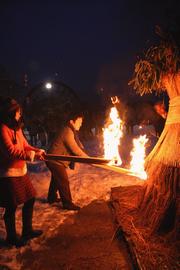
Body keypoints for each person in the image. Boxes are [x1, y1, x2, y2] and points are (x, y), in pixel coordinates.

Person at [0, 97, 45, 247]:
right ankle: (11, 237)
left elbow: (25, 146)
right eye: (18, 113)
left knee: (30, 198)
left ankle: (27, 230)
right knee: (11, 205)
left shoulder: (16, 128)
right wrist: (29, 156)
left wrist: (36, 150)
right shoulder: (2, 128)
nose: (20, 115)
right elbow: (10, 151)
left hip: (21, 171)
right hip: (8, 173)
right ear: (11, 113)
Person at [46, 112, 88, 210]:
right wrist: (87, 158)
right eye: (79, 121)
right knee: (63, 180)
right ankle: (67, 203)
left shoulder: (71, 132)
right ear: (71, 122)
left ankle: (51, 198)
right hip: (54, 160)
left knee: (56, 179)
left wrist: (85, 154)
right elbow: (74, 149)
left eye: (81, 122)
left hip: (54, 159)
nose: (80, 124)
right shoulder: (67, 131)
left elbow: (79, 146)